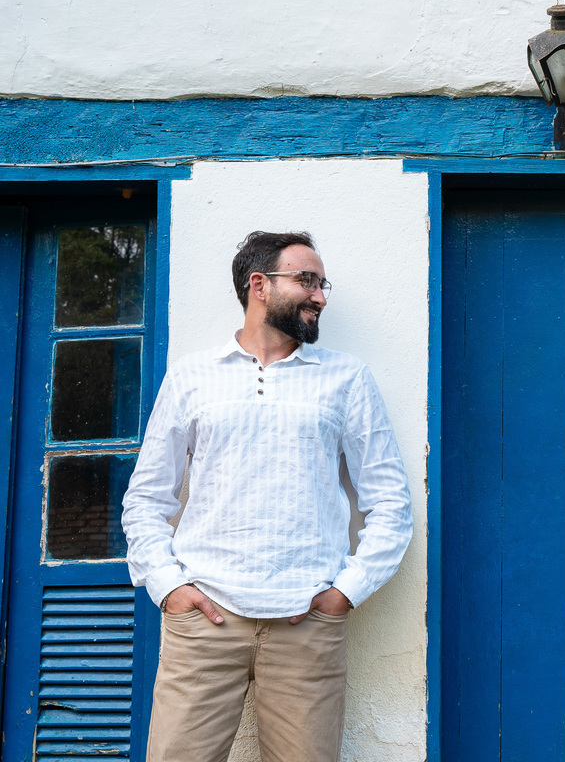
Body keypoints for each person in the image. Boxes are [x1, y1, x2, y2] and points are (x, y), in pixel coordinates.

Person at [122, 231, 413, 762]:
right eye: (307, 280)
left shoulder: (346, 379)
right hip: (203, 621)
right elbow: (146, 498)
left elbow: (390, 502)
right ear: (259, 285)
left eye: (322, 283)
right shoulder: (192, 375)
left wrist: (344, 592)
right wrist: (168, 587)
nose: (320, 295)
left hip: (307, 623)